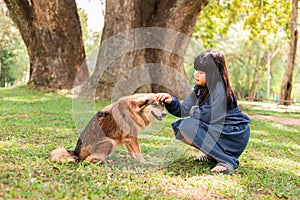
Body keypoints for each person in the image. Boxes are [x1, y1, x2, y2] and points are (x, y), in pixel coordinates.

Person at [157, 50, 251, 174]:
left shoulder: (220, 89)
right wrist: (171, 101)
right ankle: (212, 155)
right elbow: (183, 109)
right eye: (196, 70)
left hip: (232, 133)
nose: (196, 74)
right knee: (181, 127)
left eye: (201, 72)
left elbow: (207, 116)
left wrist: (194, 110)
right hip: (219, 130)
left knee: (188, 126)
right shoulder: (200, 89)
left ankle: (227, 161)